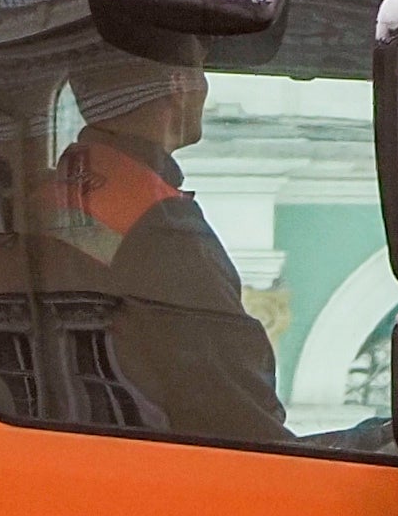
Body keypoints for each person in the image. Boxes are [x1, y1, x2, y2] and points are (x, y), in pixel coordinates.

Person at [50, 67, 285, 445]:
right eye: (200, 68)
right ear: (180, 84)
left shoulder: (64, 187)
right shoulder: (158, 224)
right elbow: (230, 406)